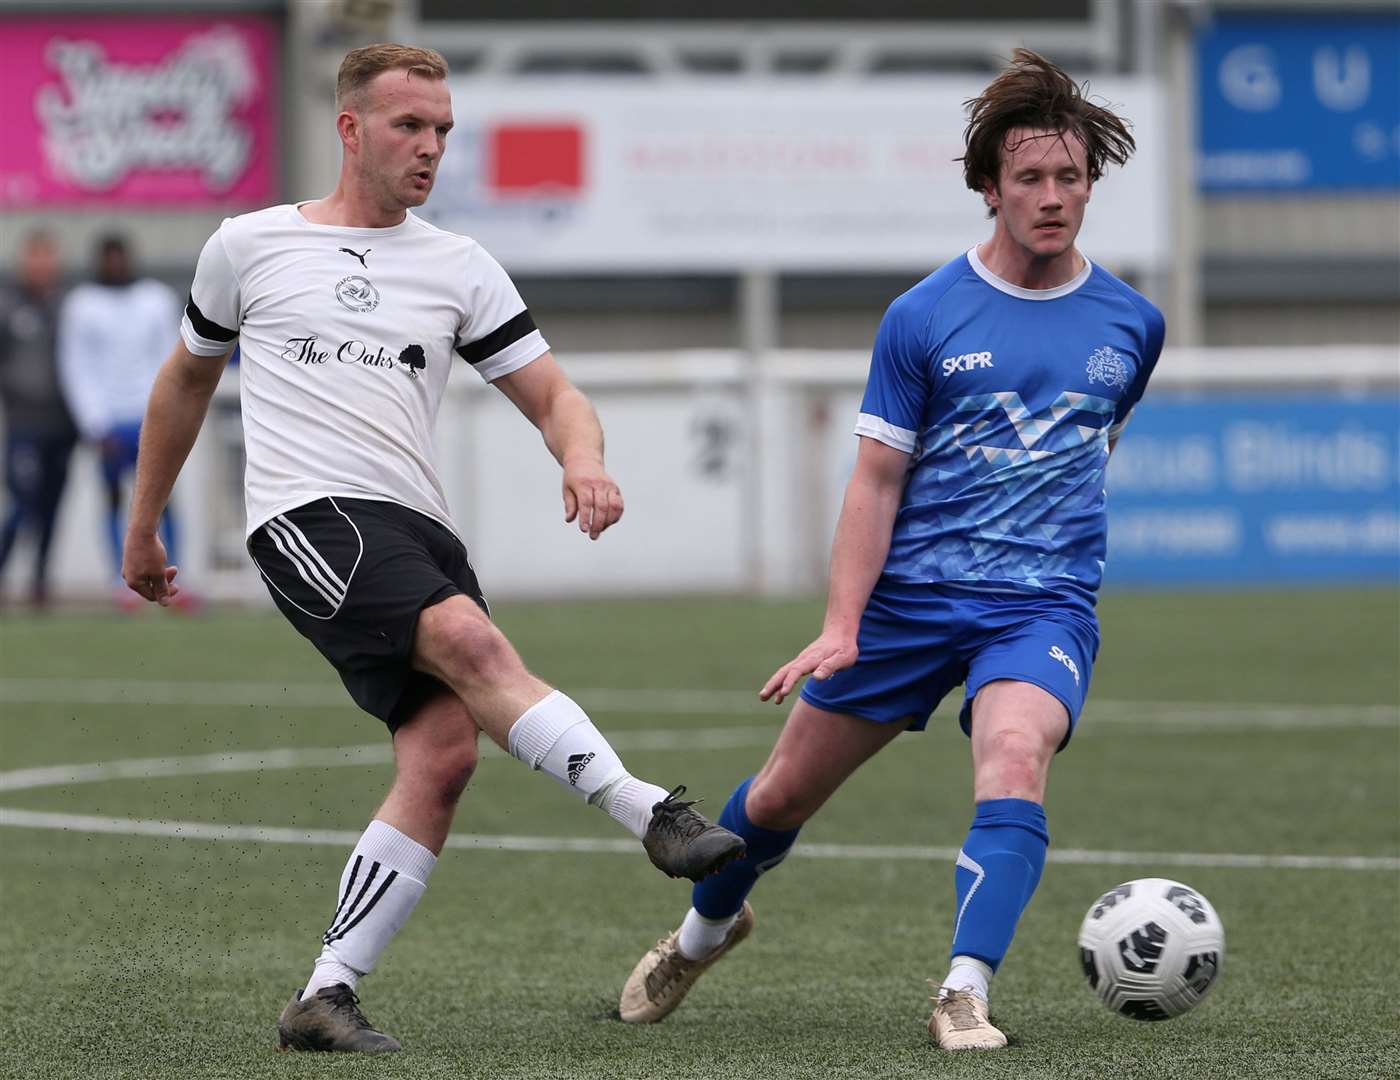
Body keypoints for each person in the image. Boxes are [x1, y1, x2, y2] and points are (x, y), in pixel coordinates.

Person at [120, 43, 745, 1054]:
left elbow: (552, 394)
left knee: (444, 750)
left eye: (443, 130)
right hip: (309, 517)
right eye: (410, 126)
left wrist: (582, 460)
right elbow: (185, 382)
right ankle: (652, 817)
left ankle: (325, 993)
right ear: (350, 129)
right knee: (475, 648)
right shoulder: (246, 245)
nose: (431, 147)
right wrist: (143, 524)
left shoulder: (458, 264)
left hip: (418, 529)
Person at [618, 49, 1162, 1052]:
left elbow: (1095, 447)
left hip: (1039, 607)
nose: (1051, 197)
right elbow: (872, 482)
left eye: (1069, 178)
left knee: (1011, 754)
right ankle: (702, 933)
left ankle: (962, 990)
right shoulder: (922, 318)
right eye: (1029, 178)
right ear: (987, 186)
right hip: (907, 603)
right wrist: (838, 626)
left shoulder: (1132, 324)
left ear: (1092, 183)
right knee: (777, 797)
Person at [58, 234, 181, 607]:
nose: (115, 265)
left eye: (119, 257)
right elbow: (76, 366)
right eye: (107, 258)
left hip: (151, 419)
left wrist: (166, 416)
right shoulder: (82, 305)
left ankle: (175, 577)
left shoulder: (156, 299)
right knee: (113, 500)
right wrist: (94, 422)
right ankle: (123, 581)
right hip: (110, 423)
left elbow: (171, 358)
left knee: (163, 501)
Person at [0, 231, 78, 608]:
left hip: (64, 424)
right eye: (36, 258)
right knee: (22, 501)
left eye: (48, 258)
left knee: (51, 506)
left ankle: (39, 583)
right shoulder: (8, 305)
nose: (42, 267)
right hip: (23, 422)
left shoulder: (71, 306)